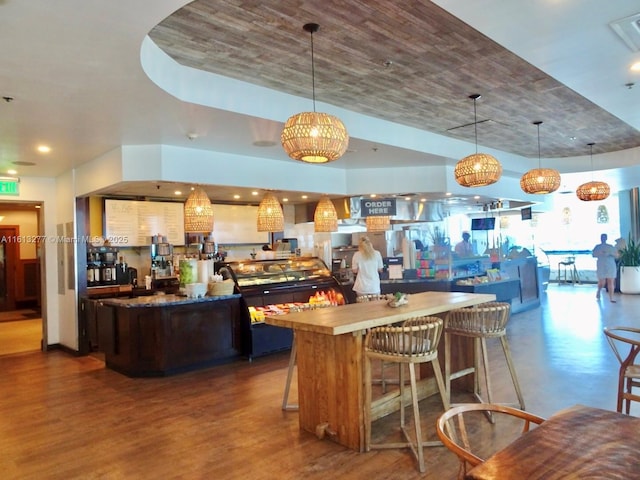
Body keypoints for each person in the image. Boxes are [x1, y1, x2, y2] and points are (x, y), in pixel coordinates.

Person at [593, 233, 618, 302]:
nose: (603, 239)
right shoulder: (597, 247)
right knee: (602, 282)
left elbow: (617, 255)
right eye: (602, 237)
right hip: (601, 265)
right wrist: (600, 253)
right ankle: (599, 290)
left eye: (604, 237)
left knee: (610, 281)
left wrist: (610, 253)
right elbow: (593, 254)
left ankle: (611, 298)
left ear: (606, 238)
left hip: (610, 265)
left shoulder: (610, 247)